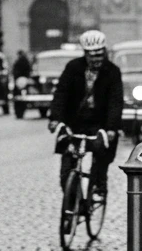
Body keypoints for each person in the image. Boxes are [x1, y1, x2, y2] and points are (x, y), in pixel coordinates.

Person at [49, 30, 123, 204]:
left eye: (99, 55)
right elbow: (61, 94)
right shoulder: (73, 68)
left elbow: (115, 102)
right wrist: (55, 118)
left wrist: (111, 128)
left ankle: (99, 184)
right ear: (85, 54)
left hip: (100, 123)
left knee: (101, 152)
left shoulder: (112, 72)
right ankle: (76, 202)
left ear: (104, 52)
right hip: (74, 121)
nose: (96, 59)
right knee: (66, 169)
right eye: (92, 56)